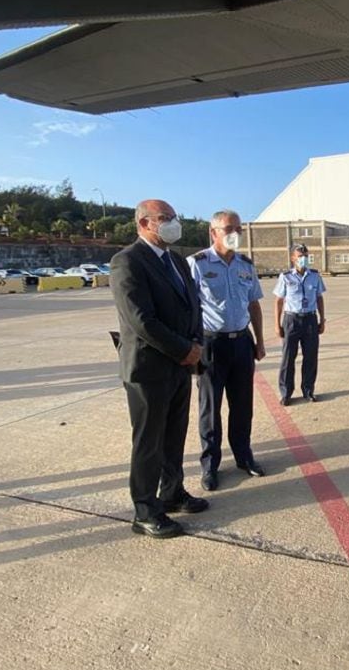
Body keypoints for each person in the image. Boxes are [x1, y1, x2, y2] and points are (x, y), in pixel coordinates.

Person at [110, 199, 209, 539]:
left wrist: (195, 345)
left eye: (174, 218)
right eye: (164, 218)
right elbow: (141, 321)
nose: (172, 224)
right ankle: (145, 510)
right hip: (148, 368)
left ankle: (172, 492)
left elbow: (193, 306)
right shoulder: (127, 262)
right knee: (148, 441)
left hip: (180, 365)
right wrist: (184, 349)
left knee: (173, 435)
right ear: (144, 224)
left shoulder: (177, 261)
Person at [188, 209, 267, 492]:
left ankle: (244, 457)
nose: (235, 234)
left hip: (242, 343)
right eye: (228, 228)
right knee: (210, 409)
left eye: (239, 229)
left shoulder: (246, 265)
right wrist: (192, 344)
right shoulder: (196, 264)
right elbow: (188, 307)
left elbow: (254, 304)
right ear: (214, 233)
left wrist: (259, 341)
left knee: (242, 405)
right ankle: (210, 466)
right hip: (211, 344)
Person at [274, 243, 327, 405]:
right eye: (300, 256)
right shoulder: (285, 277)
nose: (303, 259)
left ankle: (308, 390)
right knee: (288, 358)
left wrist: (322, 319)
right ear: (292, 258)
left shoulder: (315, 276)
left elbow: (319, 298)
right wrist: (277, 325)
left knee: (310, 357)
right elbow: (279, 301)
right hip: (291, 320)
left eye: (305, 256)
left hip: (310, 319)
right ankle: (286, 393)